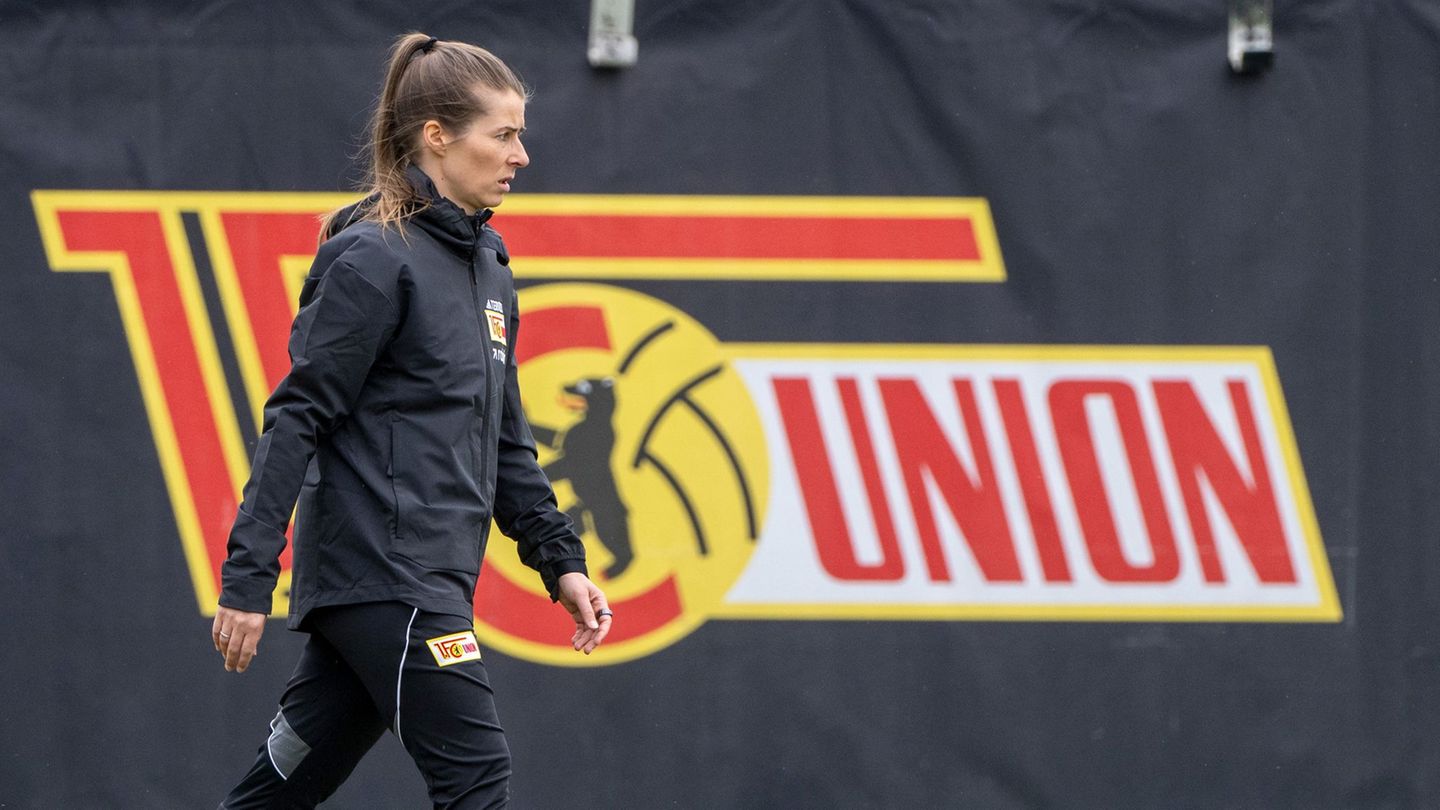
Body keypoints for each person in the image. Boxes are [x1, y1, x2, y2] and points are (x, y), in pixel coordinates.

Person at [211, 32, 612, 809]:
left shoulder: (489, 268)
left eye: (519, 134)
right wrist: (248, 579)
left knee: (273, 795)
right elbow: (297, 418)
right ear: (437, 136)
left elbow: (506, 442)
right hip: (390, 582)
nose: (521, 155)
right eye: (503, 134)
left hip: (415, 585)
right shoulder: (372, 258)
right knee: (477, 776)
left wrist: (560, 561)